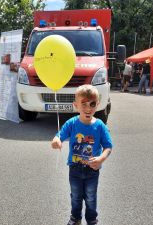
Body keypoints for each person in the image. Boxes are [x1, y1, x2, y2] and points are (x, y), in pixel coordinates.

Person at [51, 85, 113, 225]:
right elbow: (59, 136)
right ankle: (75, 218)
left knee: (91, 197)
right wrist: (56, 140)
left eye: (92, 104)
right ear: (76, 105)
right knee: (76, 196)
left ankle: (91, 219)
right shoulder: (71, 123)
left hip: (92, 169)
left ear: (97, 104)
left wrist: (101, 158)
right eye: (83, 104)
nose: (88, 108)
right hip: (74, 168)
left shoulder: (100, 126)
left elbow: (108, 147)